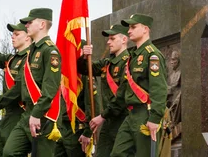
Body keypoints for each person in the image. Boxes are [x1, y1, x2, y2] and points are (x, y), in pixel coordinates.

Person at [2, 8, 62, 157]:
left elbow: (50, 87)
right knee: (9, 152)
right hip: (27, 114)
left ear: (42, 24)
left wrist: (36, 113)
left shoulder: (50, 51)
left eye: (30, 22)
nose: (26, 25)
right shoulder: (31, 52)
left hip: (43, 115)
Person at [110, 14, 168, 157]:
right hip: (131, 114)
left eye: (133, 27)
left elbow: (159, 88)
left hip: (145, 113)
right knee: (117, 153)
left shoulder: (152, 55)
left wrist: (154, 118)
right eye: (129, 27)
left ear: (145, 29)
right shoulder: (132, 57)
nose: (129, 31)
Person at [0, 22, 31, 157]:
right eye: (12, 34)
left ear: (27, 37)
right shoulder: (11, 59)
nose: (12, 37)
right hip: (7, 114)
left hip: (21, 113)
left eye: (17, 34)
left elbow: (18, 88)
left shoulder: (31, 59)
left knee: (11, 153)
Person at [79, 24, 130, 157]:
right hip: (108, 120)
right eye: (108, 39)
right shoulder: (107, 64)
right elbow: (84, 69)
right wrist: (85, 57)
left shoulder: (128, 62)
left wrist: (102, 116)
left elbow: (121, 96)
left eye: (112, 39)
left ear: (124, 39)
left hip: (123, 119)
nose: (108, 42)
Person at [55, 71, 100, 156]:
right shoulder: (61, 71)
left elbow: (93, 104)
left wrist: (88, 132)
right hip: (59, 128)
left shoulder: (84, 74)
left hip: (77, 130)